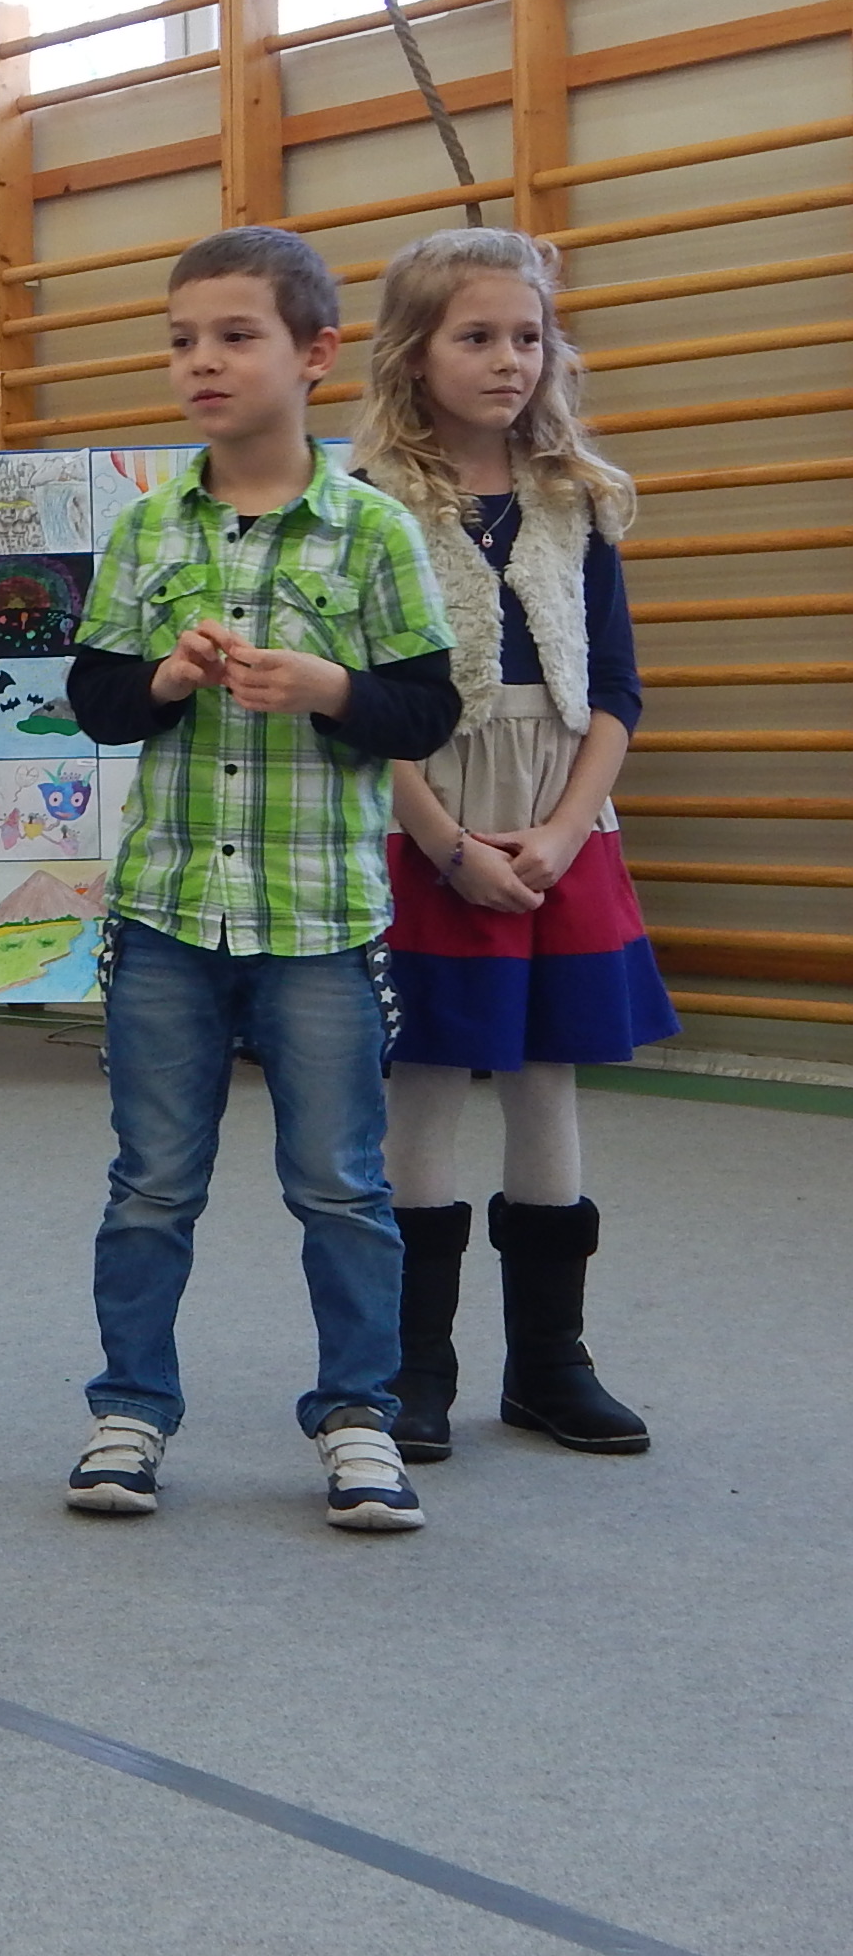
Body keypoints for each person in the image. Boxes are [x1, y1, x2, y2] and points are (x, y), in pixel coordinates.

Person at [62, 226, 460, 1533]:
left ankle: (360, 1418)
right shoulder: (145, 529)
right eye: (182, 340)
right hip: (167, 915)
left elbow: (427, 709)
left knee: (341, 1184)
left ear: (315, 353)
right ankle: (130, 1409)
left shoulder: (375, 532)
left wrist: (335, 688)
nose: (203, 362)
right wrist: (166, 680)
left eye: (236, 336)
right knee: (151, 1183)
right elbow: (97, 697)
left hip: (320, 922)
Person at [354, 228, 672, 1461]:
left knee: (548, 1077)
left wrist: (560, 832)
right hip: (428, 814)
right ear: (413, 352)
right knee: (427, 1075)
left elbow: (617, 692)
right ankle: (413, 1366)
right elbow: (357, 705)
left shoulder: (576, 501)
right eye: (477, 336)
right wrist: (448, 846)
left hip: (560, 822)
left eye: (528, 336)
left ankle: (550, 1363)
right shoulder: (367, 507)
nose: (508, 359)